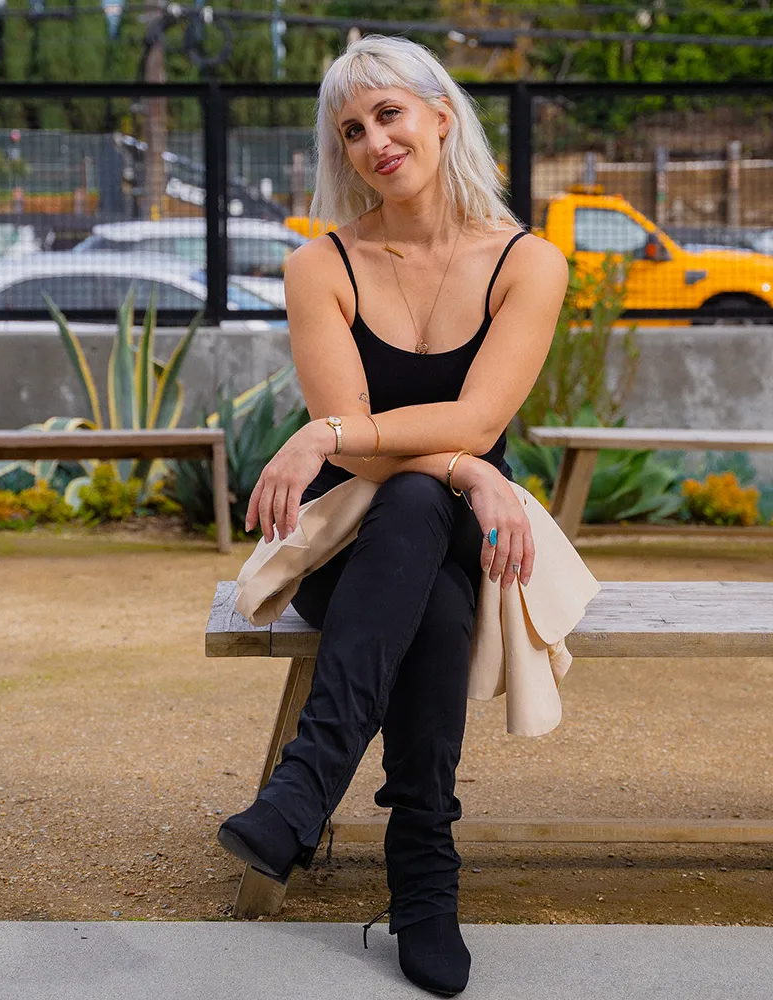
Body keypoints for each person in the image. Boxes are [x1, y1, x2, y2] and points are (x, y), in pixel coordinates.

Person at [218, 34, 568, 996]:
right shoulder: (320, 265)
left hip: (472, 535)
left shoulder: (528, 262)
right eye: (353, 129)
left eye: (390, 114)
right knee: (419, 530)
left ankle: (303, 790)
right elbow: (363, 442)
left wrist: (331, 436)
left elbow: (465, 418)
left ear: (441, 115)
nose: (374, 140)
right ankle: (424, 876)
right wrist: (468, 468)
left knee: (422, 500)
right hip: (362, 549)